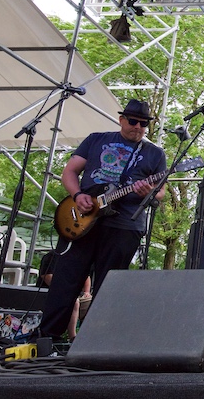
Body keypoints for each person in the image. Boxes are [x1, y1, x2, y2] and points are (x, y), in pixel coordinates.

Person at [39, 99, 167, 340]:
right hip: (83, 221)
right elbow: (69, 171)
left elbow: (160, 191)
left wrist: (147, 192)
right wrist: (77, 195)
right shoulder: (96, 139)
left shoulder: (155, 154)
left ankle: (95, 341)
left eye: (143, 124)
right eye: (133, 121)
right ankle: (47, 339)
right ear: (121, 120)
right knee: (66, 280)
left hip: (125, 224)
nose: (138, 127)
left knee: (109, 287)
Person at [38, 248, 92, 339]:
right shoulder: (51, 257)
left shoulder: (78, 259)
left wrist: (87, 292)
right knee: (74, 302)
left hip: (76, 293)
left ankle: (88, 337)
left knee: (95, 304)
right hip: (51, 292)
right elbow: (47, 276)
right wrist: (68, 289)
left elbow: (86, 276)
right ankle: (72, 336)